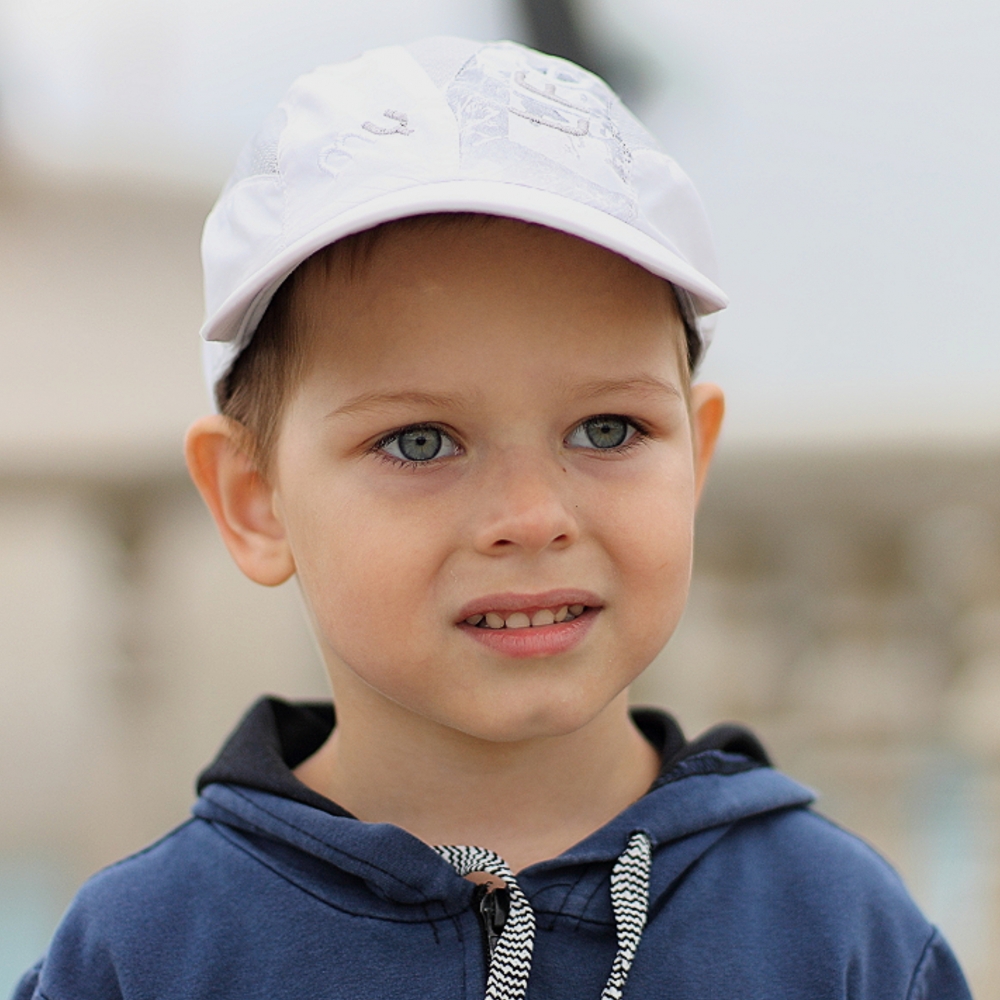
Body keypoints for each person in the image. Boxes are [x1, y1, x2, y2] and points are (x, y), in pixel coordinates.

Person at [13, 37, 971, 1000]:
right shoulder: (146, 953)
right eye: (421, 442)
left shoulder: (836, 929)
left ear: (694, 458)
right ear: (254, 501)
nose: (532, 517)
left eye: (607, 429)